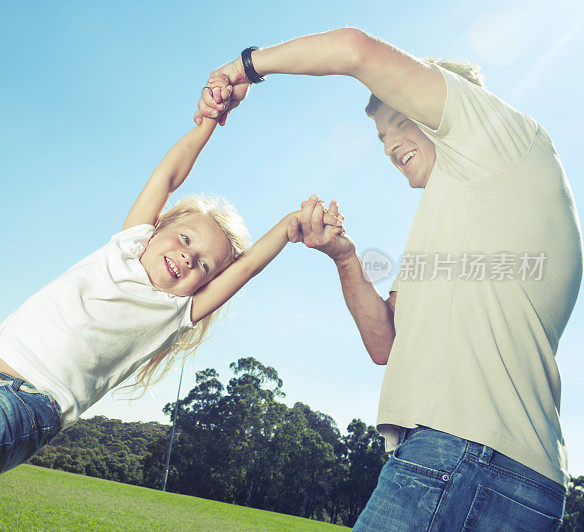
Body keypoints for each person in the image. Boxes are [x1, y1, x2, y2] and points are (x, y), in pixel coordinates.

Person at [0, 73, 343, 530]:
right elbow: (171, 173)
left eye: (204, 267)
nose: (189, 260)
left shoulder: (173, 312)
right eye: (187, 240)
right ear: (161, 228)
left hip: (24, 407)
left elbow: (242, 268)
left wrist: (289, 228)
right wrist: (208, 121)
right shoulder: (127, 244)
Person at [197, 30, 582, 530]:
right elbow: (386, 345)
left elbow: (355, 49)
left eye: (400, 122)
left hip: (464, 455)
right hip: (498, 471)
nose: (389, 146)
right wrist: (344, 256)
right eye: (381, 138)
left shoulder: (499, 135)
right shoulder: (461, 219)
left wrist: (245, 67)